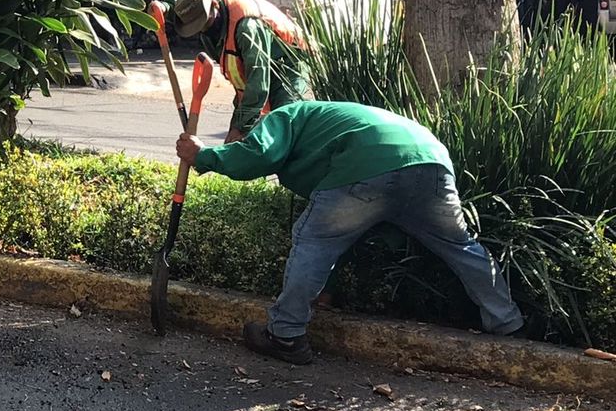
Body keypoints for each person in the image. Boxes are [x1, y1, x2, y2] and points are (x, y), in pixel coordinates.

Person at [174, 100, 523, 365]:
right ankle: (507, 322)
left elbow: (257, 154)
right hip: (431, 162)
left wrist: (204, 155)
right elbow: (348, 230)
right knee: (461, 246)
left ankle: (285, 335)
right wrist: (328, 289)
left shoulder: (284, 116)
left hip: (367, 163)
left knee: (311, 239)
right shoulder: (335, 117)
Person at [171, 0, 309, 142]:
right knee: (241, 135)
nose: (203, 29)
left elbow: (257, 84)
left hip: (289, 63)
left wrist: (240, 129)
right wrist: (165, 7)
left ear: (213, 4)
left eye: (204, 22)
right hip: (259, 64)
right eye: (197, 26)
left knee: (285, 125)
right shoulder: (207, 13)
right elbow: (185, 6)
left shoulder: (247, 28)